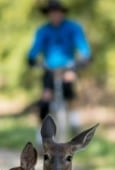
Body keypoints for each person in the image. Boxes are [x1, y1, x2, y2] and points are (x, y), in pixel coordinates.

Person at [27, 0, 91, 136]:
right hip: (50, 69)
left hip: (68, 67)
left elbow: (83, 46)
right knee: (45, 97)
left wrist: (85, 58)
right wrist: (32, 58)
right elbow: (35, 48)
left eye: (57, 12)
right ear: (48, 14)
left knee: (70, 91)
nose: (55, 16)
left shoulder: (73, 28)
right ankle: (40, 136)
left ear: (62, 13)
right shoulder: (43, 30)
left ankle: (74, 123)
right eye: (52, 13)